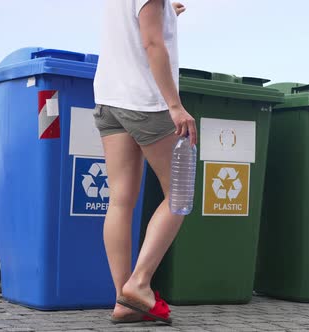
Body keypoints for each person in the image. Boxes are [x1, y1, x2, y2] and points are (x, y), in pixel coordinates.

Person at [92, 0, 197, 324]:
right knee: (180, 193)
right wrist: (175, 105)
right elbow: (151, 43)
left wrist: (166, 13)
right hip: (146, 102)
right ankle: (139, 284)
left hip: (109, 98)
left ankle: (124, 300)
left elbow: (135, 24)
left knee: (120, 200)